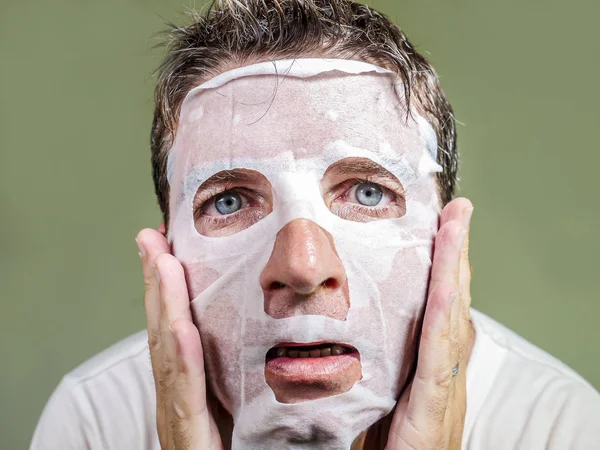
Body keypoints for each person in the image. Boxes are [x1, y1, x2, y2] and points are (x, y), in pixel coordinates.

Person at [31, 1, 600, 449]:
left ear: (445, 243)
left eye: (367, 192)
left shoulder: (559, 428)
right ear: (167, 259)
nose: (302, 268)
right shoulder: (94, 422)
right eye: (229, 201)